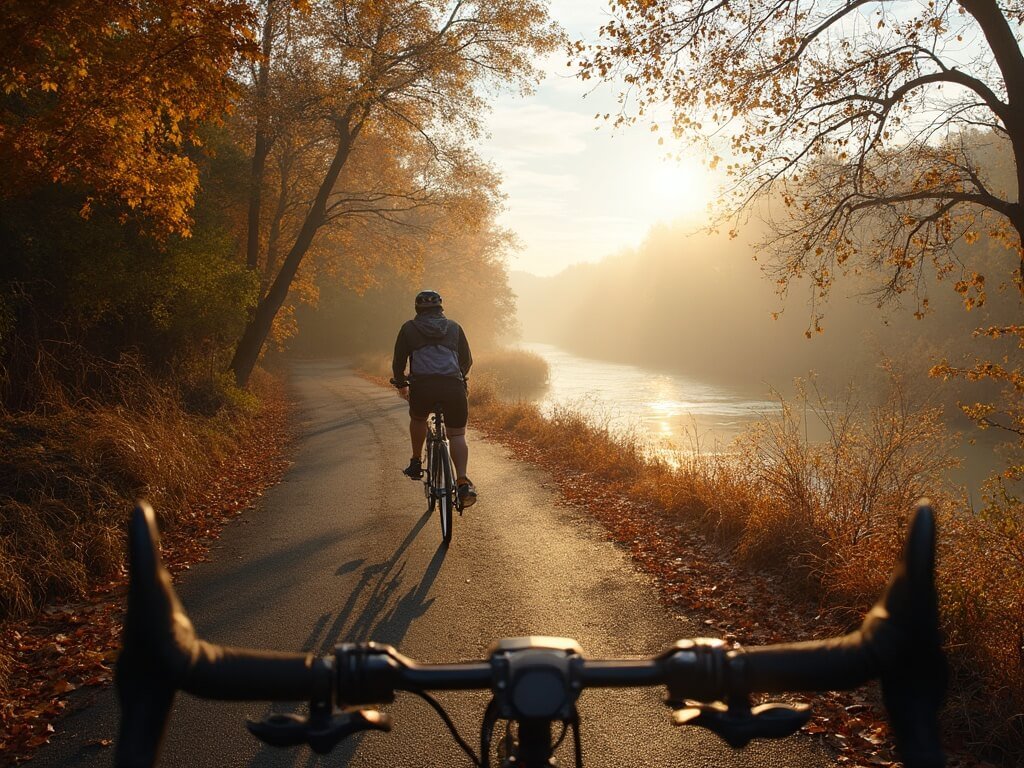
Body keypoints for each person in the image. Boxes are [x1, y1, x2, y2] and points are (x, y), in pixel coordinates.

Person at [392, 290, 476, 507]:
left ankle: (416, 461)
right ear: (441, 308)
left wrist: (402, 384)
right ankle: (462, 481)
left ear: (417, 309)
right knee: (457, 435)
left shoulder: (409, 328)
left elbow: (399, 361)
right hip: (453, 388)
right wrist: (459, 378)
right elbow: (466, 360)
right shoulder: (454, 327)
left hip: (423, 388)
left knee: (419, 419)